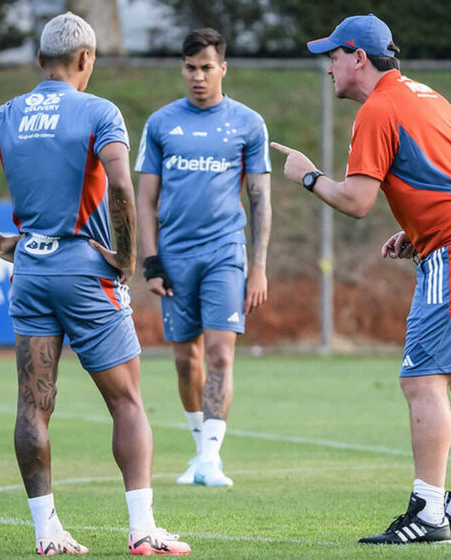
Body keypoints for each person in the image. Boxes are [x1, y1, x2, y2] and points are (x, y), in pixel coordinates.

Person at [0, 12, 190, 556]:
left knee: (33, 403)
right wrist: (125, 255)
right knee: (127, 403)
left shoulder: (5, 115)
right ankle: (142, 531)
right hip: (85, 272)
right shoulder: (98, 110)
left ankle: (47, 533)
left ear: (39, 60)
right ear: (86, 59)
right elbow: (120, 180)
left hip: (31, 270)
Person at [271, 14, 451, 545]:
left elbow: (356, 201)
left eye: (334, 56)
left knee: (421, 378)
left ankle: (428, 513)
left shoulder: (378, 108)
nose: (329, 68)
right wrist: (416, 228)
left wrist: (307, 175)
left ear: (358, 58)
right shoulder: (424, 94)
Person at [135, 28, 272, 488]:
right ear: (182, 68)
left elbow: (260, 201)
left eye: (207, 67)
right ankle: (198, 450)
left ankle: (212, 457)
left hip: (224, 253)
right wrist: (150, 262)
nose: (198, 76)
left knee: (219, 353)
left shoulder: (248, 124)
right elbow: (145, 201)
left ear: (223, 68)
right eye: (191, 68)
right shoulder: (160, 125)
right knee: (184, 359)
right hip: (174, 257)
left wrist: (258, 266)